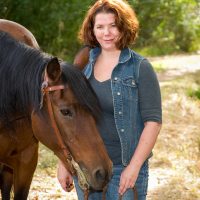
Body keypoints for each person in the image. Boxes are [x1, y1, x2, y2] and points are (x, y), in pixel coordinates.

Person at [57, 0, 162, 199]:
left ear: (124, 27)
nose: (107, 33)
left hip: (125, 168)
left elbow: (153, 122)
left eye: (113, 25)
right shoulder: (82, 67)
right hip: (88, 167)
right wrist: (63, 162)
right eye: (100, 27)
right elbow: (70, 118)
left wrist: (134, 167)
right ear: (92, 30)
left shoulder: (139, 68)